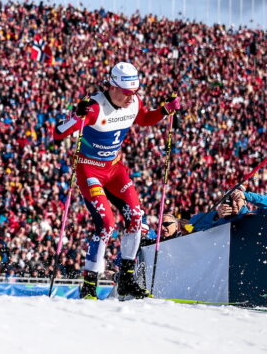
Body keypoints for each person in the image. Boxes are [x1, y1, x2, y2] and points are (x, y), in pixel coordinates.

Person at [55, 61, 181, 300]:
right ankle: (89, 287)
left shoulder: (133, 102)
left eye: (134, 93)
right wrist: (76, 115)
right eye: (126, 93)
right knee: (107, 224)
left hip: (114, 169)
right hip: (89, 170)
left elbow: (144, 118)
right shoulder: (94, 107)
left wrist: (164, 110)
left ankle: (126, 279)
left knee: (136, 216)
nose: (130, 98)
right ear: (112, 86)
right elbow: (58, 132)